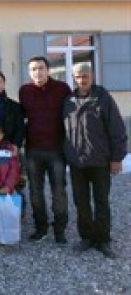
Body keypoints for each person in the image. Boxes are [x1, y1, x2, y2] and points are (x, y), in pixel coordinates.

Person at [63, 63, 128, 259]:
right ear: (74, 78)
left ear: (92, 75)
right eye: (78, 76)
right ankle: (87, 237)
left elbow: (117, 129)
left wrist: (116, 158)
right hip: (77, 162)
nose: (82, 79)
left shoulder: (103, 98)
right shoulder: (68, 100)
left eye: (85, 76)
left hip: (100, 161)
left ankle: (103, 239)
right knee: (81, 202)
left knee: (101, 202)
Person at [18, 56, 72, 243]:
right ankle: (40, 227)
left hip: (56, 149)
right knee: (35, 191)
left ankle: (59, 229)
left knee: (59, 191)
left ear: (48, 70)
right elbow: (21, 118)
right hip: (33, 150)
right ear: (29, 72)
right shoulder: (24, 91)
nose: (37, 72)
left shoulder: (62, 89)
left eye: (41, 68)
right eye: (33, 69)